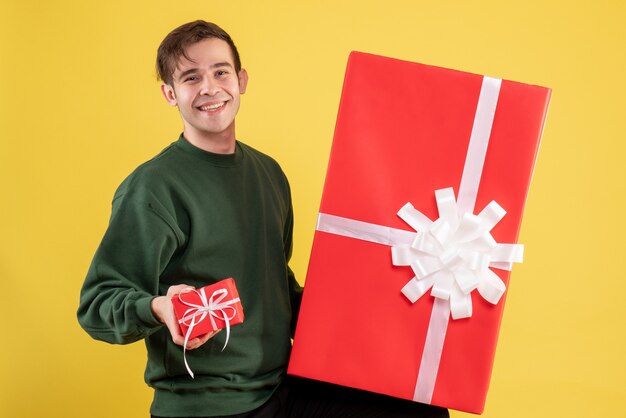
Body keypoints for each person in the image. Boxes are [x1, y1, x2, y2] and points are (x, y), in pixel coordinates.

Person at [78, 20, 449, 418]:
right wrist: (158, 309)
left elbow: (275, 284)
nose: (209, 87)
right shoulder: (152, 189)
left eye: (220, 72)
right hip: (210, 404)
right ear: (170, 93)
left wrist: (371, 311)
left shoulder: (269, 173)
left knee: (422, 410)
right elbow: (97, 305)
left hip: (282, 385)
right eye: (190, 77)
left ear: (241, 80)